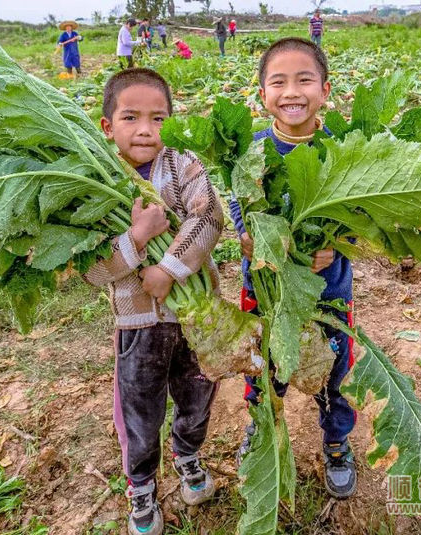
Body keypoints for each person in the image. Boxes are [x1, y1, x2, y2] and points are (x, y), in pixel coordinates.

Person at [85, 68, 223, 535]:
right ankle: (141, 485)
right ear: (107, 126)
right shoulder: (91, 182)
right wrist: (136, 239)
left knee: (197, 396)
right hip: (138, 326)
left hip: (197, 318)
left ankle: (188, 455)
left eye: (158, 118)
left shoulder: (183, 165)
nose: (146, 129)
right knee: (139, 410)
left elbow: (209, 218)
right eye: (130, 117)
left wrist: (169, 269)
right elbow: (91, 268)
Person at [229, 37, 357, 499]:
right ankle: (263, 427)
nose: (292, 92)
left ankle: (336, 440)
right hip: (264, 292)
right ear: (262, 94)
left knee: (335, 372)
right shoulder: (254, 150)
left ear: (324, 89)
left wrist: (339, 246)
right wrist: (248, 238)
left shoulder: (341, 147)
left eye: (304, 80)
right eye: (278, 82)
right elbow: (240, 203)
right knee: (263, 368)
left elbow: (363, 216)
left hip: (326, 293)